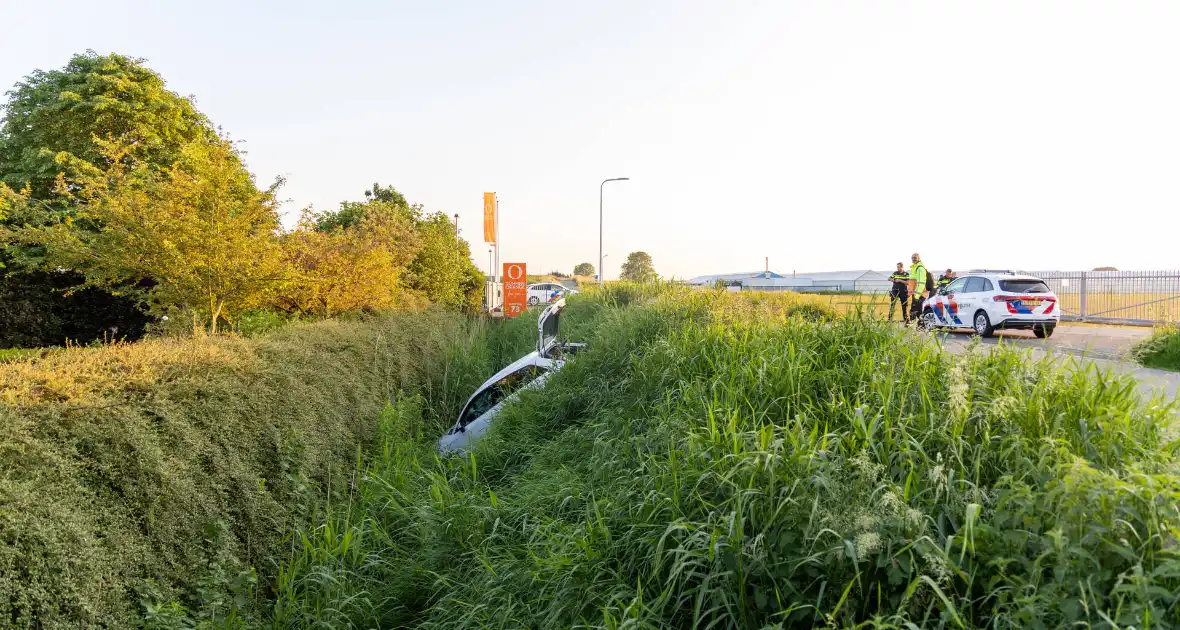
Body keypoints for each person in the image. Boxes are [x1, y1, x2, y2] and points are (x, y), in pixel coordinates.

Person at [908, 252, 930, 322]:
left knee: (914, 312)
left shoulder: (919, 268)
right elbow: (912, 282)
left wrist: (916, 296)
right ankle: (920, 326)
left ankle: (912, 325)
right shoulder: (914, 267)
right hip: (916, 294)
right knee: (918, 312)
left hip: (919, 295)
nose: (913, 259)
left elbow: (921, 283)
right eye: (912, 258)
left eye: (915, 258)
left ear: (919, 258)